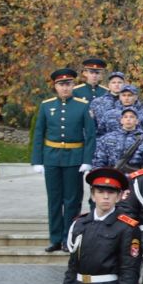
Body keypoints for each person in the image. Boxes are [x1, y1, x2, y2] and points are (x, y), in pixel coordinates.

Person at [32, 68, 97, 252]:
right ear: (55, 86)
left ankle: (68, 238)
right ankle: (54, 239)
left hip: (74, 158)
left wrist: (87, 160)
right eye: (61, 85)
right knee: (54, 200)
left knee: (72, 201)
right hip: (51, 158)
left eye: (68, 84)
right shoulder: (46, 105)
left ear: (73, 85)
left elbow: (90, 135)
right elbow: (39, 133)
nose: (65, 88)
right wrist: (37, 160)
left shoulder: (82, 105)